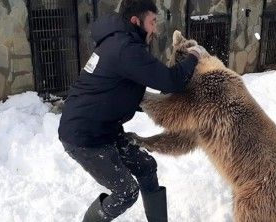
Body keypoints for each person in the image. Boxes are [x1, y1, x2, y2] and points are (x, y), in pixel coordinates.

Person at [58, 0, 206, 221]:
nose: (155, 29)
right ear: (136, 21)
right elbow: (171, 81)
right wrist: (194, 56)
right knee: (126, 192)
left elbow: (120, 88)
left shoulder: (121, 41)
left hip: (104, 128)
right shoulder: (124, 49)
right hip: (84, 136)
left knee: (146, 166)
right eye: (152, 22)